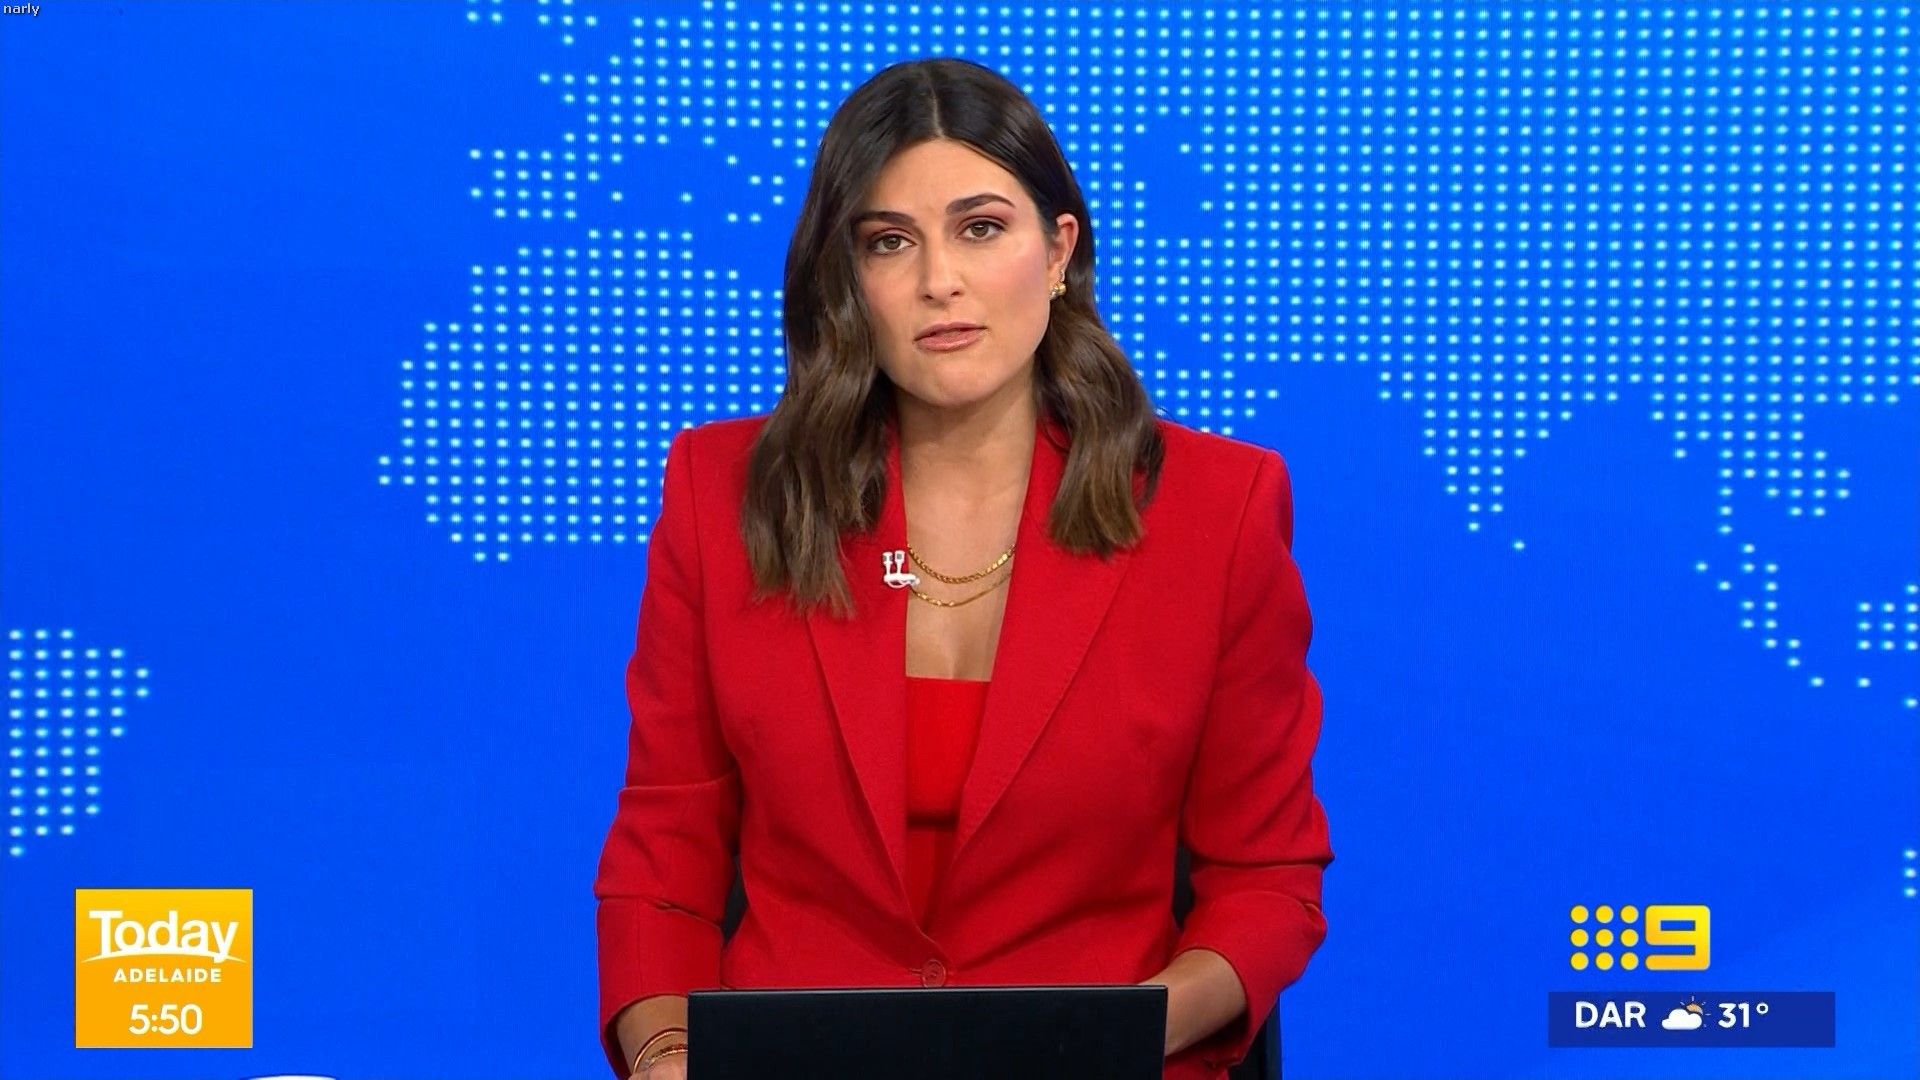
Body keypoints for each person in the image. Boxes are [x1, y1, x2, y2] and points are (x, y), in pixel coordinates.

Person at [594, 57, 1334, 1080]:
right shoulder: (722, 493)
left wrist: (1102, 1038)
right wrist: (669, 1057)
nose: (938, 280)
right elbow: (663, 854)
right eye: (890, 242)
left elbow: (1266, 879)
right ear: (847, 280)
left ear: (1058, 249)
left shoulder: (1216, 507)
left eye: (981, 228)